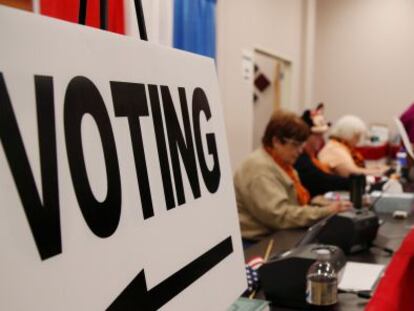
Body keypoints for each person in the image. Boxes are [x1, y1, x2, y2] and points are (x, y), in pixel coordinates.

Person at [234, 110, 350, 243]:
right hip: (257, 243)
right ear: (276, 141)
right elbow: (280, 216)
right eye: (295, 145)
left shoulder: (281, 164)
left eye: (302, 145)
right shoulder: (260, 169)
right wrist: (325, 211)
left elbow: (294, 202)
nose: (300, 150)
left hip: (275, 236)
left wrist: (324, 204)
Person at [295, 104, 351, 197]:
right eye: (318, 135)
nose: (321, 139)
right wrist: (355, 181)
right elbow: (322, 181)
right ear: (305, 136)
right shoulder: (300, 159)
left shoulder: (311, 156)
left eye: (322, 135)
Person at [318, 115, 387, 178]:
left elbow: (353, 168)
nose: (358, 140)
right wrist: (379, 171)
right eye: (357, 136)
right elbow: (351, 173)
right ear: (349, 134)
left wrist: (374, 169)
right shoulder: (335, 149)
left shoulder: (337, 145)